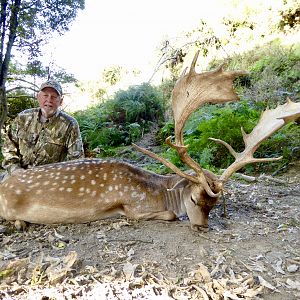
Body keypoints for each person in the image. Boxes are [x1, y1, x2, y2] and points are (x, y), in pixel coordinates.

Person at [1, 79, 84, 179]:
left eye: (54, 97)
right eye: (45, 95)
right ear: (38, 97)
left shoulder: (70, 124)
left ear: (61, 101)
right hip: (17, 174)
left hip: (49, 179)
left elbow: (76, 161)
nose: (49, 100)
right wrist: (15, 169)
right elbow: (8, 147)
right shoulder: (23, 117)